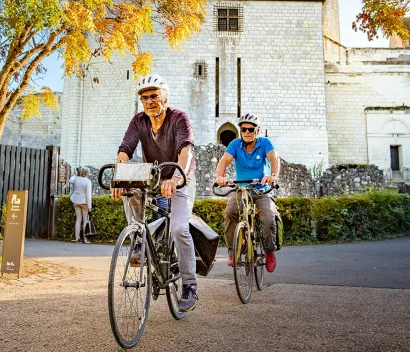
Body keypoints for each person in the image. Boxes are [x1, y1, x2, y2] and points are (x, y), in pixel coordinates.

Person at [113, 74, 199, 313]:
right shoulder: (139, 121)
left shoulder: (178, 118)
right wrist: (118, 176)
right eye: (144, 97)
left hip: (181, 178)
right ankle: (139, 241)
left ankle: (190, 286)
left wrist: (177, 177)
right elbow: (125, 149)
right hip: (153, 178)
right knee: (129, 192)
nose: (149, 101)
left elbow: (186, 149)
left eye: (154, 96)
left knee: (179, 228)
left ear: (165, 98)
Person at [214, 113, 281, 272]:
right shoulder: (235, 144)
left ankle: (270, 251)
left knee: (268, 217)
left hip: (261, 190)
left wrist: (273, 176)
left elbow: (274, 158)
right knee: (230, 213)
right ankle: (232, 252)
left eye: (251, 129)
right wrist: (220, 177)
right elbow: (224, 161)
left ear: (257, 131)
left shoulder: (265, 143)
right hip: (242, 189)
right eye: (244, 129)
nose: (247, 132)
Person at [69, 168, 93, 244]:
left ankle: (77, 238)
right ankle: (85, 239)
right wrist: (89, 206)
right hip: (84, 202)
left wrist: (75, 175)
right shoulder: (88, 181)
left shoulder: (76, 179)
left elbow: (70, 180)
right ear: (87, 173)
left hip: (76, 201)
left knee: (78, 220)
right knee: (85, 220)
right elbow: (88, 195)